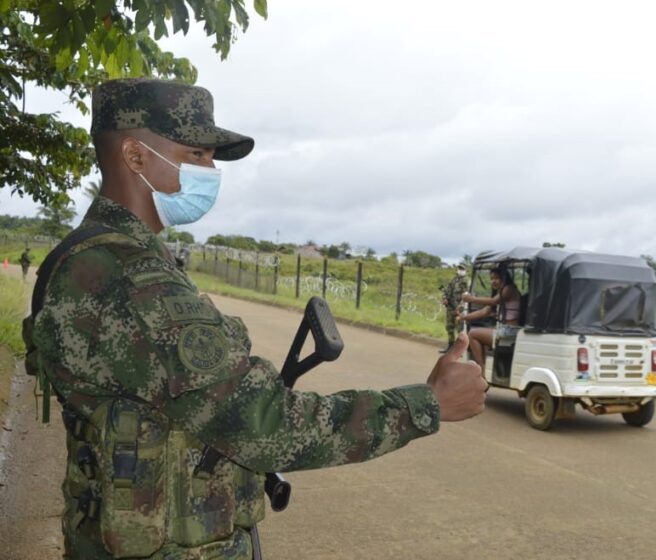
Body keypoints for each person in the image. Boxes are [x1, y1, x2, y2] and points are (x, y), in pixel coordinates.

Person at [21, 78, 486, 560]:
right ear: (135, 157)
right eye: (196, 155)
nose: (211, 169)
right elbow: (265, 427)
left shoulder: (88, 257)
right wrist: (426, 404)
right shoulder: (135, 281)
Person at [458, 267, 522, 371]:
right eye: (491, 279)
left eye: (496, 278)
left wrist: (471, 299)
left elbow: (493, 302)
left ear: (504, 278)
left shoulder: (509, 289)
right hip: (505, 329)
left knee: (473, 334)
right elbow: (484, 311)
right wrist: (463, 317)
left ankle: (480, 369)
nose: (493, 281)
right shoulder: (501, 292)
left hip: (511, 330)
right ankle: (484, 369)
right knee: (481, 337)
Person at [439, 263, 469, 353]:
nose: (460, 270)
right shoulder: (454, 279)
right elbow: (447, 290)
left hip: (459, 308)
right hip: (450, 307)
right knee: (449, 327)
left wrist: (460, 307)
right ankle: (450, 347)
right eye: (459, 268)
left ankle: (460, 350)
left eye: (462, 269)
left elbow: (467, 295)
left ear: (466, 270)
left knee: (460, 329)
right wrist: (445, 298)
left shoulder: (466, 281)